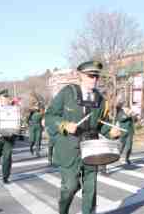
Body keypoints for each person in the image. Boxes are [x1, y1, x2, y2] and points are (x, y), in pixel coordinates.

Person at [45, 60, 121, 214]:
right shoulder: (68, 92)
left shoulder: (100, 99)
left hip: (91, 148)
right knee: (70, 187)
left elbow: (101, 124)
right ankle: (63, 210)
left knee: (91, 188)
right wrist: (64, 124)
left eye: (96, 77)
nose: (94, 79)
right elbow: (50, 116)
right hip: (69, 148)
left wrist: (110, 132)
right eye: (90, 76)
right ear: (80, 76)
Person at [117, 101, 135, 165]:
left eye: (127, 107)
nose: (127, 108)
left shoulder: (129, 112)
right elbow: (121, 119)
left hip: (130, 132)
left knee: (129, 146)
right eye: (125, 107)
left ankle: (127, 158)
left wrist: (133, 115)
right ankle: (117, 156)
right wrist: (128, 115)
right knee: (121, 146)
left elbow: (133, 121)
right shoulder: (120, 112)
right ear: (123, 108)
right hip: (123, 131)